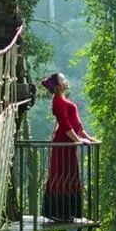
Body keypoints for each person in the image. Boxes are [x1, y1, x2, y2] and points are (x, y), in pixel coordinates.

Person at [39, 73, 96, 221]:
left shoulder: (63, 101)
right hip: (62, 146)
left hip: (70, 145)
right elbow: (65, 126)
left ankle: (68, 213)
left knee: (70, 175)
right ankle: (58, 213)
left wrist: (89, 138)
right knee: (62, 175)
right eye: (63, 80)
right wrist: (79, 140)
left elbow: (78, 126)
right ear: (57, 86)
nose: (66, 81)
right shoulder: (57, 102)